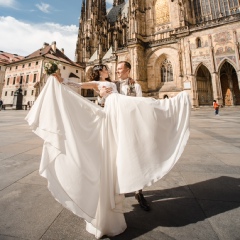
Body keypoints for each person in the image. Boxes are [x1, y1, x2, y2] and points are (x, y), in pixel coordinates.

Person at [25, 65, 191, 239]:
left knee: (120, 152)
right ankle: (173, 104)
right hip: (111, 119)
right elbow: (81, 84)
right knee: (111, 159)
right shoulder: (99, 83)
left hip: (119, 118)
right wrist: (62, 80)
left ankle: (171, 105)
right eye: (106, 68)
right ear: (100, 72)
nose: (110, 70)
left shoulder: (116, 83)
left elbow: (122, 87)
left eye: (113, 69)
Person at [98, 61, 149, 211]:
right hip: (115, 127)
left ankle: (139, 192)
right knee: (115, 159)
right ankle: (117, 189)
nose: (118, 72)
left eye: (120, 69)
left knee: (136, 159)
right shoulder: (113, 85)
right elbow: (101, 102)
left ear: (128, 70)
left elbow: (140, 105)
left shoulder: (135, 86)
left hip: (131, 127)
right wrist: (101, 96)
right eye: (117, 69)